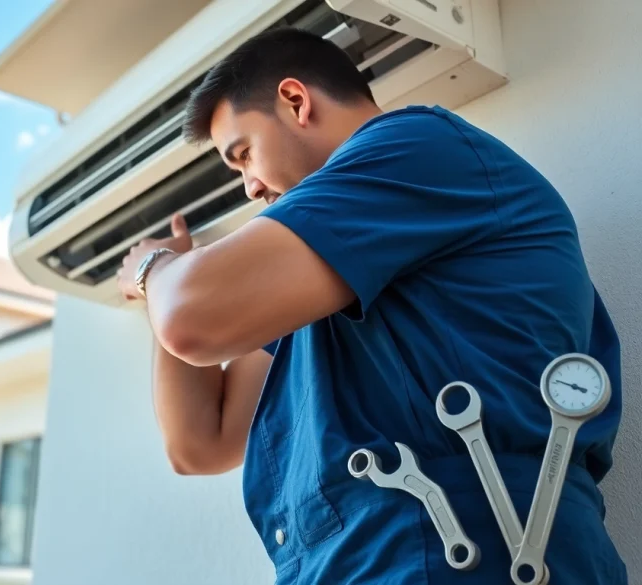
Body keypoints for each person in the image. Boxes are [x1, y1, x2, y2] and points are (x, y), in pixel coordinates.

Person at [114, 27, 627, 585]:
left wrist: (154, 269)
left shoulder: (417, 147)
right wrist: (163, 292)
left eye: (244, 155)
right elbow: (200, 442)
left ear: (295, 101)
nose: (250, 188)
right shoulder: (323, 284)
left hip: (467, 545)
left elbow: (191, 317)